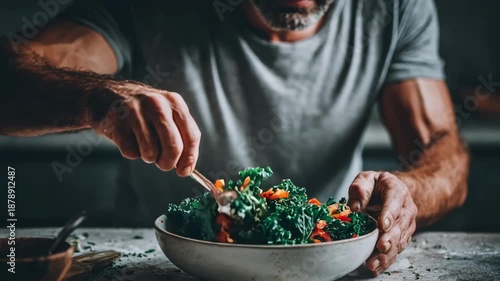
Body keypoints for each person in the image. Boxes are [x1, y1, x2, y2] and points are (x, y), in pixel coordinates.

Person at [0, 0, 469, 276]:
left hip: (330, 266)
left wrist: (411, 196)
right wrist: (96, 97)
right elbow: (10, 78)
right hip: (164, 265)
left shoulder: (394, 8)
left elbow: (443, 151)